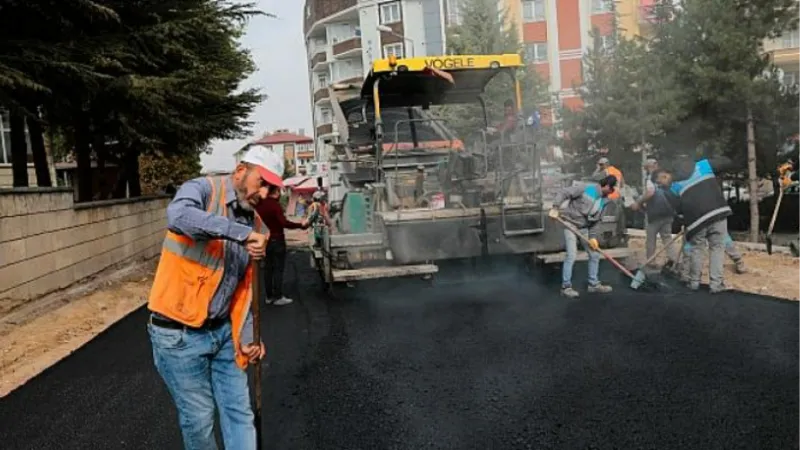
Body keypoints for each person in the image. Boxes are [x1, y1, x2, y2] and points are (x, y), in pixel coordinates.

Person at [146, 146, 281, 450]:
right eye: (262, 182)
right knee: (200, 419)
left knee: (239, 412)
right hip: (177, 334)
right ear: (240, 172)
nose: (266, 193)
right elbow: (178, 216)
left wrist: (247, 336)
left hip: (222, 334)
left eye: (272, 188)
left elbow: (244, 290)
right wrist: (239, 234)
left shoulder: (258, 227)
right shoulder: (203, 190)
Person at [663, 155, 734, 293]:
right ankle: (716, 285)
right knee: (717, 248)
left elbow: (678, 211)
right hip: (717, 212)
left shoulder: (674, 185)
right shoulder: (703, 165)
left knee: (697, 250)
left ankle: (694, 283)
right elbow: (727, 162)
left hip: (696, 221)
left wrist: (684, 221)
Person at [549, 175, 618, 298]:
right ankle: (566, 287)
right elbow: (564, 192)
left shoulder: (603, 201)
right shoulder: (586, 188)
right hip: (570, 223)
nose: (612, 192)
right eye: (612, 189)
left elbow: (596, 221)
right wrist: (555, 207)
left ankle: (593, 284)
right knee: (572, 255)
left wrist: (592, 237)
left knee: (594, 254)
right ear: (607, 186)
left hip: (585, 228)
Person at [255, 184, 309, 306]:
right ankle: (278, 296)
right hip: (277, 240)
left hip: (264, 240)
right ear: (277, 192)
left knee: (268, 269)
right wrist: (300, 225)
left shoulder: (259, 205)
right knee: (278, 269)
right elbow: (284, 222)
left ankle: (268, 297)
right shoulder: (275, 205)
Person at [631, 163, 679, 270]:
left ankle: (650, 262)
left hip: (655, 215)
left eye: (646, 167)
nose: (646, 170)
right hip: (668, 213)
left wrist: (638, 202)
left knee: (651, 238)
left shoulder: (652, 178)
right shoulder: (668, 178)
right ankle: (673, 260)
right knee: (667, 237)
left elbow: (650, 192)